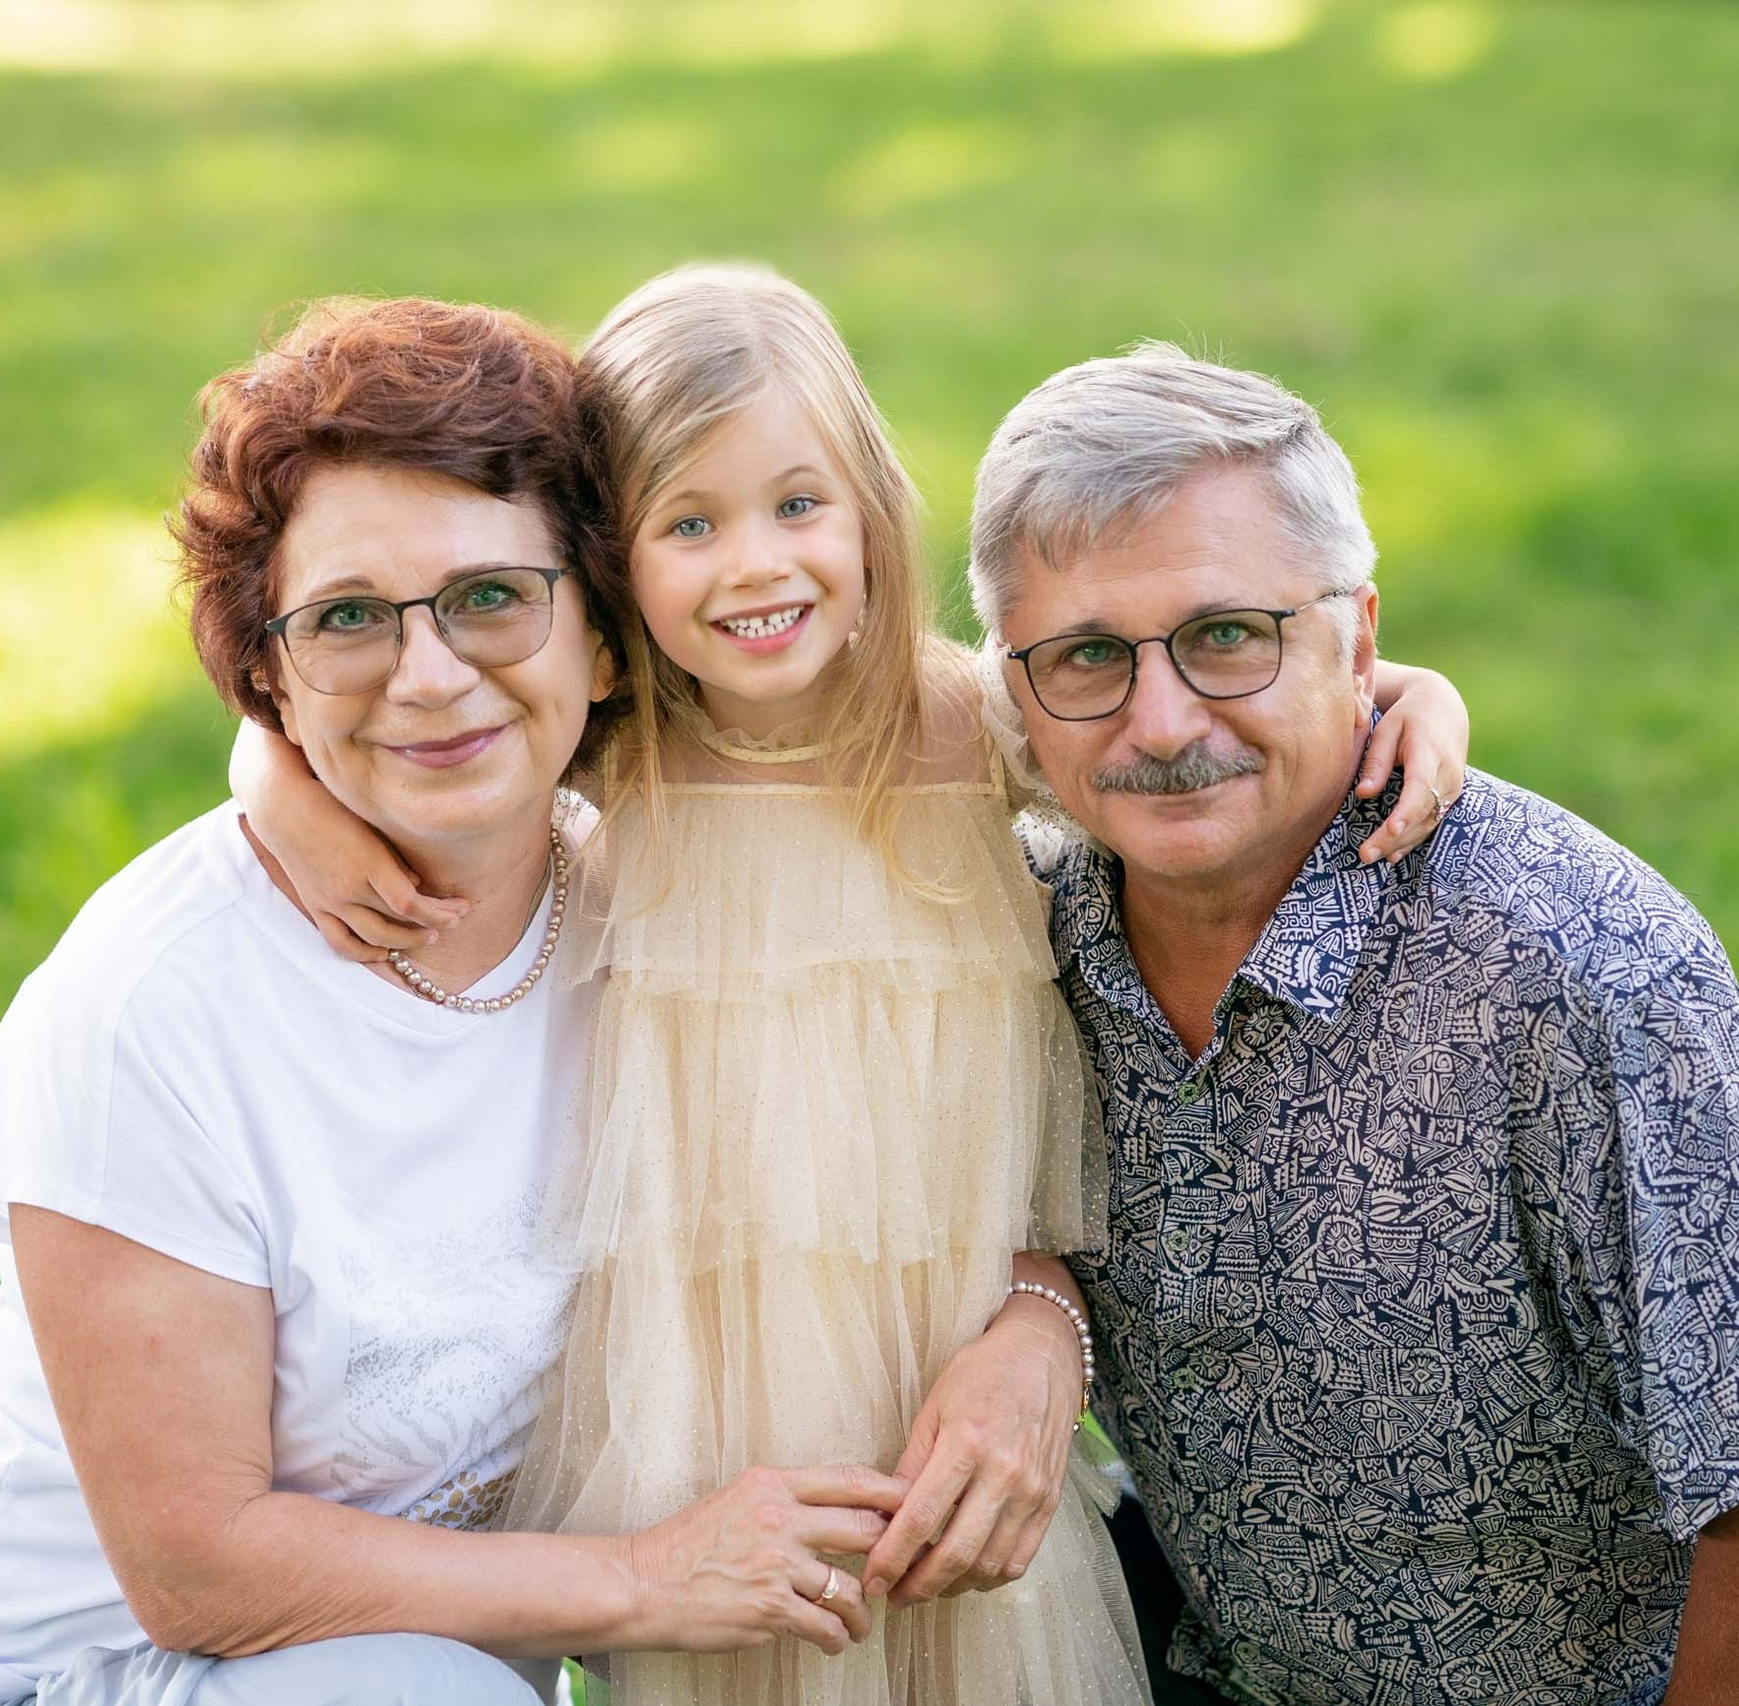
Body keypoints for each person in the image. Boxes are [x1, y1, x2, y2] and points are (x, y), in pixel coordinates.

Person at [238, 266, 1473, 1705]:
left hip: (945, 1390)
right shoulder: (609, 755)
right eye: (690, 523)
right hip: (709, 1424)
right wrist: (277, 785)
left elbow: (1178, 710)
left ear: (870, 511)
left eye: (797, 504)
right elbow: (350, 718)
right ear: (609, 559)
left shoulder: (971, 733)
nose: (755, 564)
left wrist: (1416, 690)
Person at [0, 296, 926, 1706]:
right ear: (267, 678)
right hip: (56, 1678)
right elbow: (199, 1570)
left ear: (604, 635)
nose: (431, 676)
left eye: (492, 596)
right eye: (348, 618)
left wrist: (1030, 1320)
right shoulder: (155, 1005)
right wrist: (646, 1579)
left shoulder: (655, 913)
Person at [967, 341, 1739, 1706]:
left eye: (1228, 636)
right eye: (1090, 656)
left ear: (1358, 639)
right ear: (1014, 685)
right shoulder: (1023, 933)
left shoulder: (1575, 970)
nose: (1160, 723)